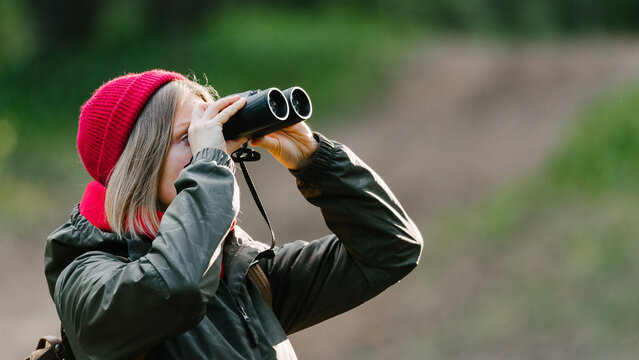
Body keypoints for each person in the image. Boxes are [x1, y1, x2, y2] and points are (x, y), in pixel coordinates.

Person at [44, 69, 423, 359]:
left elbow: (390, 249)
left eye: (207, 133)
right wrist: (208, 165)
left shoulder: (240, 274)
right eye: (187, 137)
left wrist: (315, 160)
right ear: (139, 161)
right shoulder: (86, 277)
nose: (209, 147)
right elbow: (176, 285)